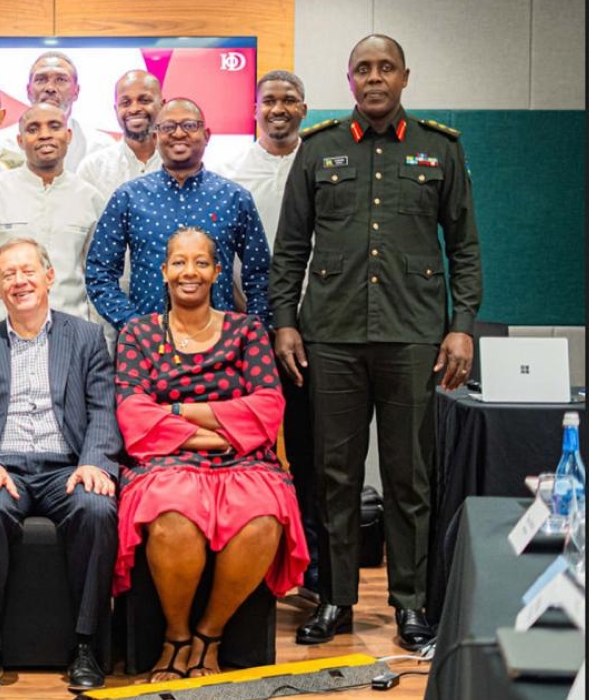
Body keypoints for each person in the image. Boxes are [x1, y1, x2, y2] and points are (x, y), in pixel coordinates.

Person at [270, 35, 482, 651]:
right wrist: (286, 321)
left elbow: (465, 248)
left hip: (413, 336)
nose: (374, 78)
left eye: (385, 68)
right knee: (334, 474)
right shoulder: (319, 149)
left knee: (408, 476)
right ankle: (335, 599)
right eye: (363, 69)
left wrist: (461, 325)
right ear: (350, 78)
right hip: (329, 336)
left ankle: (410, 604)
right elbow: (290, 249)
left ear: (404, 78)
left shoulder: (439, 150)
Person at [113, 227, 308, 680]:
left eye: (201, 262)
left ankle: (207, 637)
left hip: (243, 463)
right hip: (167, 462)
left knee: (262, 517)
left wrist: (178, 410)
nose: (190, 272)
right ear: (163, 272)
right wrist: (221, 429)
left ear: (218, 271)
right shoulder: (139, 333)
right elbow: (135, 414)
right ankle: (175, 635)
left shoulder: (248, 331)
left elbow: (266, 407)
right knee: (173, 514)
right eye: (179, 262)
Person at [0, 238, 122, 694]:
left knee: (97, 508)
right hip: (4, 467)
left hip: (65, 466)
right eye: (8, 274)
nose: (19, 281)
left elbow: (104, 408)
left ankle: (85, 645)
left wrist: (94, 463)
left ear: (49, 277)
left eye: (28, 271)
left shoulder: (86, 338)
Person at [215, 70, 320, 597]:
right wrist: (253, 316)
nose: (278, 109)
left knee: (310, 450)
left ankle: (310, 569)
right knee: (249, 446)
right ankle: (253, 566)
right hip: (248, 328)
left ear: (305, 107)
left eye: (289, 101)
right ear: (254, 108)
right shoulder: (230, 169)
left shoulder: (322, 160)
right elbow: (229, 255)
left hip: (317, 327)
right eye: (268, 101)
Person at [86, 98, 272, 332]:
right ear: (155, 138)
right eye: (168, 127)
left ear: (207, 135)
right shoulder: (129, 197)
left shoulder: (234, 198)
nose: (178, 133)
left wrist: (253, 331)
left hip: (220, 347)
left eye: (189, 126)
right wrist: (133, 325)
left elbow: (260, 274)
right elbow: (99, 273)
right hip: (148, 347)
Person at [0, 103, 104, 341]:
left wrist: (98, 342)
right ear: (20, 140)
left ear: (68, 136)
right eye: (33, 129)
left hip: (71, 340)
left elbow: (97, 281)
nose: (44, 135)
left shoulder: (90, 198)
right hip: (1, 340)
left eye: (54, 127)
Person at [18, 51, 113, 172]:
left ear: (76, 91)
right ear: (28, 90)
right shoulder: (5, 145)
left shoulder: (101, 148)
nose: (50, 88)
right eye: (41, 79)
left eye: (61, 80)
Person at [77, 70, 164, 200]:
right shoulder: (93, 168)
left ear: (162, 106)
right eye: (125, 102)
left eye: (144, 100)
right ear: (116, 109)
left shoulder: (182, 166)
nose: (134, 109)